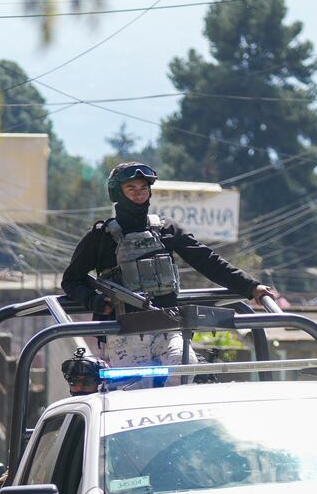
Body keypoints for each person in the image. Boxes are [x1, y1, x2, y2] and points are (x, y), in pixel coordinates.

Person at [61, 162, 276, 386]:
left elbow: (207, 260)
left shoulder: (165, 229)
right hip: (123, 332)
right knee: (133, 396)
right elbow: (71, 280)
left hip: (168, 326)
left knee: (185, 370)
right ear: (117, 193)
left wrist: (252, 287)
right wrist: (93, 301)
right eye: (131, 189)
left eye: (143, 188)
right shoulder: (100, 237)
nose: (138, 194)